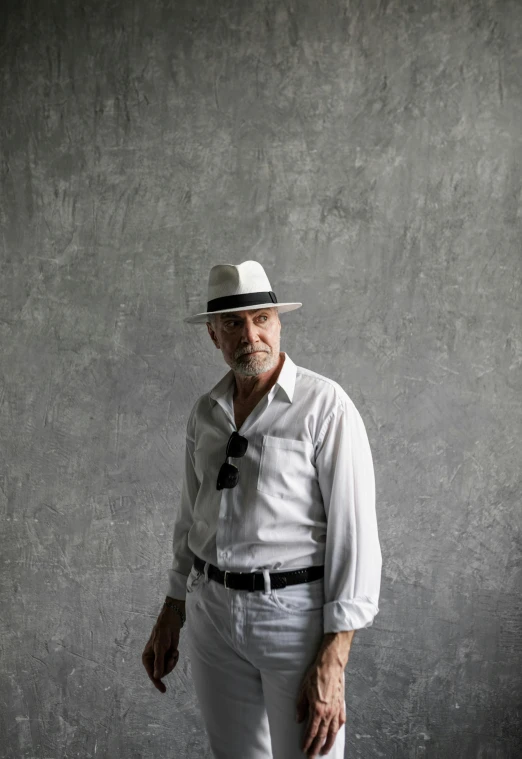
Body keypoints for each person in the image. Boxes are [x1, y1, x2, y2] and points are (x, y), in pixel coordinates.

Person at [142, 260, 382, 759]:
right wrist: (172, 607)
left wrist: (335, 657)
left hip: (293, 619)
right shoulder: (205, 412)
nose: (250, 334)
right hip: (212, 615)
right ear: (214, 335)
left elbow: (354, 536)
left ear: (278, 322)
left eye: (261, 318)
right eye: (233, 323)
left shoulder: (325, 406)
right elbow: (192, 516)